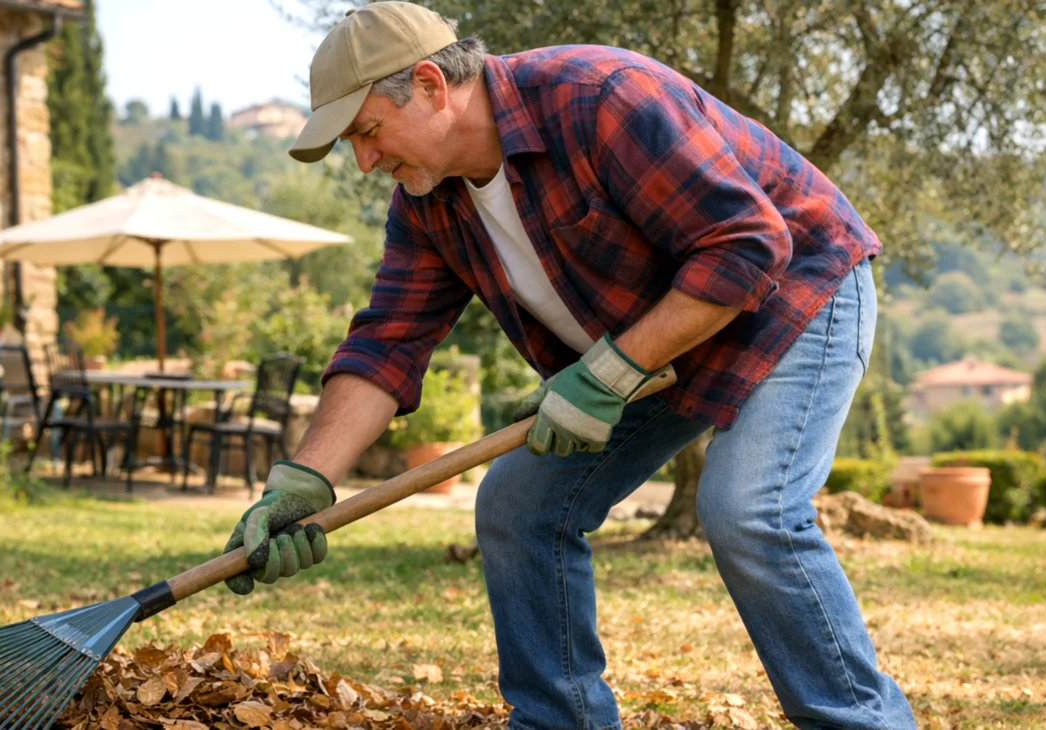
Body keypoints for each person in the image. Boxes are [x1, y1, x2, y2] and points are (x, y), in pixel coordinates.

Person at [221, 3, 916, 728]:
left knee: (748, 509)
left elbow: (745, 248)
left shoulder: (599, 96)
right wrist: (304, 482)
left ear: (431, 85)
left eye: (367, 132)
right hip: (651, 343)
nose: (365, 161)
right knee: (519, 505)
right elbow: (388, 342)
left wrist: (606, 376)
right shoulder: (427, 203)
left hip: (797, 291)